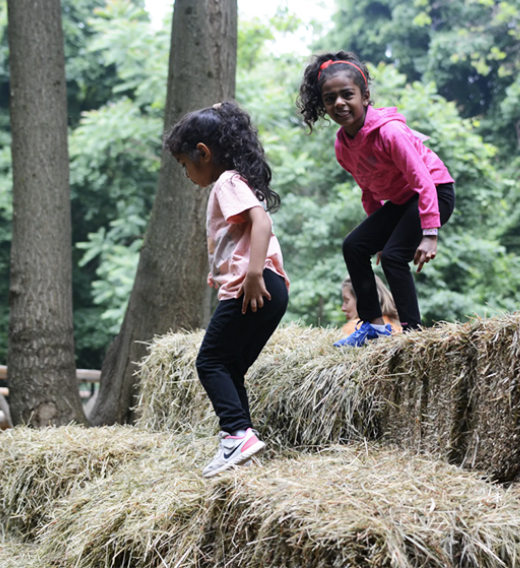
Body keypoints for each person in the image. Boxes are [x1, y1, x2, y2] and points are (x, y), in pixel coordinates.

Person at [164, 101, 289, 478]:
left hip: (253, 285)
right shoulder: (237, 181)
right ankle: (242, 441)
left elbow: (261, 223)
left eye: (185, 164)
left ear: (203, 153)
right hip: (273, 289)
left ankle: (235, 434)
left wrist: (251, 274)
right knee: (231, 367)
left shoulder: (226, 182)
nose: (186, 173)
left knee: (210, 362)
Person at [298, 51, 455, 346]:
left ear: (365, 96)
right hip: (400, 201)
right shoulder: (343, 146)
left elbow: (423, 180)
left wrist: (430, 233)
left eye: (348, 95)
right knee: (354, 246)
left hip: (434, 191)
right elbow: (369, 191)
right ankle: (373, 325)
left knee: (395, 257)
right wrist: (378, 237)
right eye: (330, 99)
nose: (339, 103)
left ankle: (413, 335)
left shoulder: (390, 132)